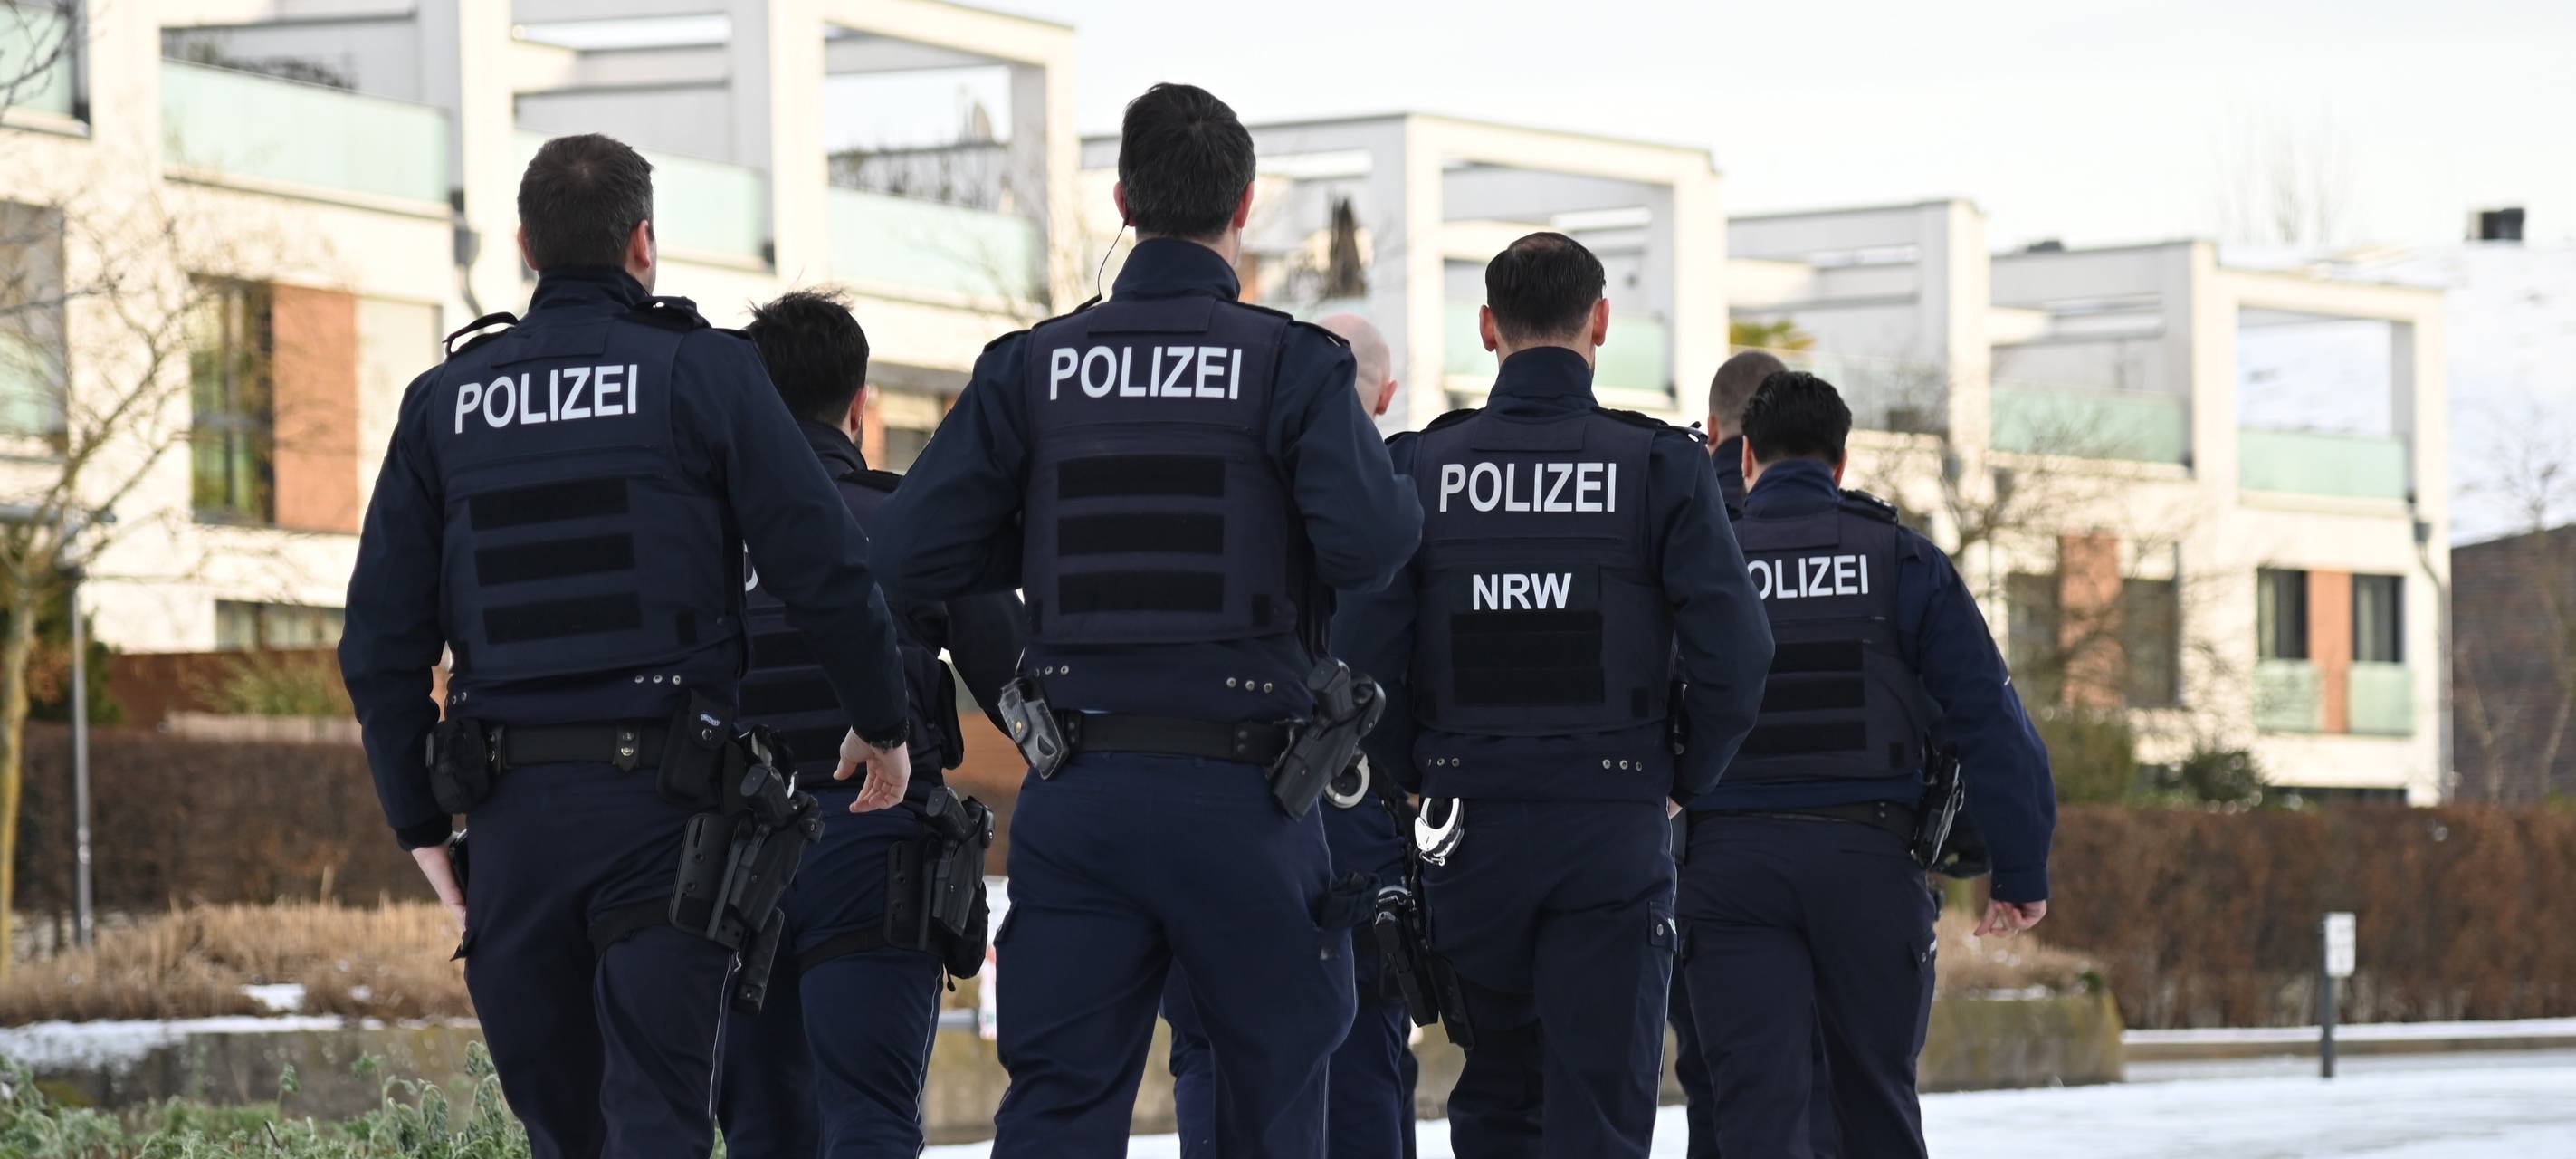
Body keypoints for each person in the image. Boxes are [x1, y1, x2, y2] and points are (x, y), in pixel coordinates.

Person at [868, 82, 1424, 1159]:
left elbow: (905, 555)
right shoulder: (1291, 364)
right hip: (1250, 797)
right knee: (1269, 1105)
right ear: (1245, 205)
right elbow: (1375, 545)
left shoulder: (1033, 365)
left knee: (1059, 1112)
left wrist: (1038, 543)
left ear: (1120, 198)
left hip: (1084, 792)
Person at [337, 134, 915, 1159]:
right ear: (644, 243)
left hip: (510, 820)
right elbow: (823, 564)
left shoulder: (445, 404)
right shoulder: (703, 371)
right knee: (657, 1119)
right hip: (668, 810)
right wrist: (881, 722)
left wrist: (423, 823)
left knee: (567, 1131)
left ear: (523, 244)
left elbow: (380, 641)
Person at [1336, 231, 1773, 1159]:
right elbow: (1737, 649)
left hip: (1468, 828)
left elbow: (1361, 655)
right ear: (1600, 322)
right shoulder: (1657, 465)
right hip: (1610, 822)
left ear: (1487, 328)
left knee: (1495, 1096)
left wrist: (1413, 772)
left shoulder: (1419, 465)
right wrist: (1681, 773)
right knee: (1601, 1107)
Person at [1678, 370, 2056, 1159]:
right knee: (1876, 1102)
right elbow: (1990, 717)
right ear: (1842, 463)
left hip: (1729, 868)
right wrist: (2019, 872)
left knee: (1754, 1109)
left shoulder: (1704, 564)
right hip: (1870, 865)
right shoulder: (1903, 560)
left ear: (1744, 456)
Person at [714, 290, 1028, 1158]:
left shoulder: (699, 538)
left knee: (760, 1131)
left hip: (728, 862)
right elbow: (1021, 687)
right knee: (871, 1121)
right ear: (860, 409)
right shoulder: (912, 526)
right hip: (873, 850)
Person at [1158, 311, 1419, 1159]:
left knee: (1209, 1053)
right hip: (1356, 832)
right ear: (1384, 396)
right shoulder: (1403, 517)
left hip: (1207, 808)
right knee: (1361, 1059)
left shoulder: (1209, 493)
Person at [1669, 344, 1835, 1159]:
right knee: (1832, 1079)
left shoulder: (1676, 537)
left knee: (1721, 1081)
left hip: (1704, 860)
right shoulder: (1869, 540)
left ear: (1717, 434)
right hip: (1850, 853)